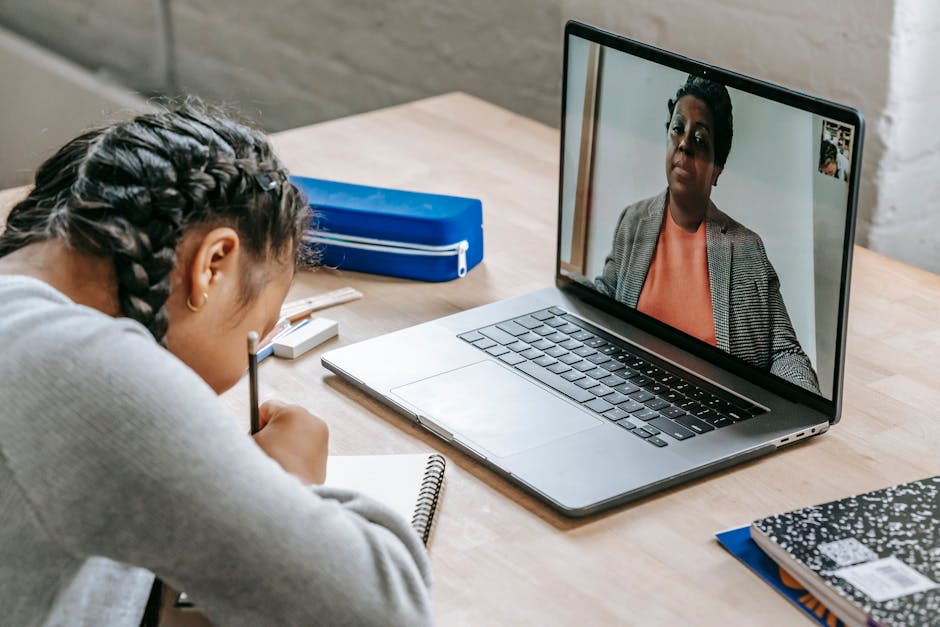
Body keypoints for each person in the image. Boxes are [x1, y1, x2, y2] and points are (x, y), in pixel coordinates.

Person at [0, 104, 433, 626]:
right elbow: (382, 614)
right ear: (212, 265)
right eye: (261, 330)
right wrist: (290, 480)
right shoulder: (82, 370)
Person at [595, 76, 820, 393]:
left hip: (713, 414)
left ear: (716, 169)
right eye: (678, 129)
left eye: (700, 140)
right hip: (629, 396)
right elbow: (604, 296)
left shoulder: (746, 249)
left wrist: (799, 409)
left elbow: (784, 352)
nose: (684, 143)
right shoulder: (633, 221)